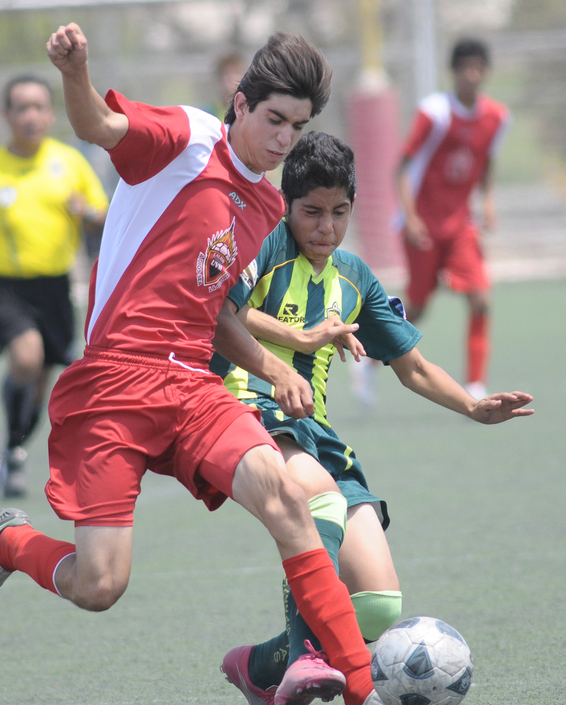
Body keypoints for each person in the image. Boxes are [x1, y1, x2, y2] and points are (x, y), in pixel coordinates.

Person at [0, 23, 383, 705]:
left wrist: (272, 367)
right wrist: (74, 70)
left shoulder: (268, 202)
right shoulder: (185, 139)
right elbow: (98, 123)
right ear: (241, 104)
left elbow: (212, 310)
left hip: (192, 386)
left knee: (288, 501)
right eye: (274, 119)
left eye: (296, 127)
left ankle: (363, 689)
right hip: (115, 382)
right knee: (98, 584)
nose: (282, 140)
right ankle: (11, 543)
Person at [211, 131, 534, 705]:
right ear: (288, 206)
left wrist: (473, 407)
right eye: (311, 212)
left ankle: (260, 666)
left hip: (316, 430)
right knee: (317, 497)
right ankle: (307, 657)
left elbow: (411, 367)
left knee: (379, 607)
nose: (325, 227)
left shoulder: (356, 277)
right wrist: (301, 338)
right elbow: (223, 313)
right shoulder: (263, 244)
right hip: (247, 404)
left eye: (339, 213)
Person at [0, 73, 109, 498]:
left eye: (39, 107)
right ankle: (13, 451)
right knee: (27, 357)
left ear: (51, 114)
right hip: (1, 287)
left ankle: (13, 453)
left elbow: (103, 216)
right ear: (7, 116)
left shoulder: (70, 162)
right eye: (21, 108)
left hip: (54, 289)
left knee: (42, 375)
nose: (31, 116)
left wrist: (87, 211)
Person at [394, 37, 510, 401]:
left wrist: (487, 202)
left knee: (481, 299)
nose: (472, 75)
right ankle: (368, 362)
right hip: (423, 227)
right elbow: (401, 167)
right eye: (466, 68)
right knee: (418, 307)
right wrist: (410, 218)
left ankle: (475, 384)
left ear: (486, 72)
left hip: (460, 225)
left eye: (478, 68)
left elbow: (488, 162)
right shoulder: (434, 113)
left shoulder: (496, 118)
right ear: (455, 72)